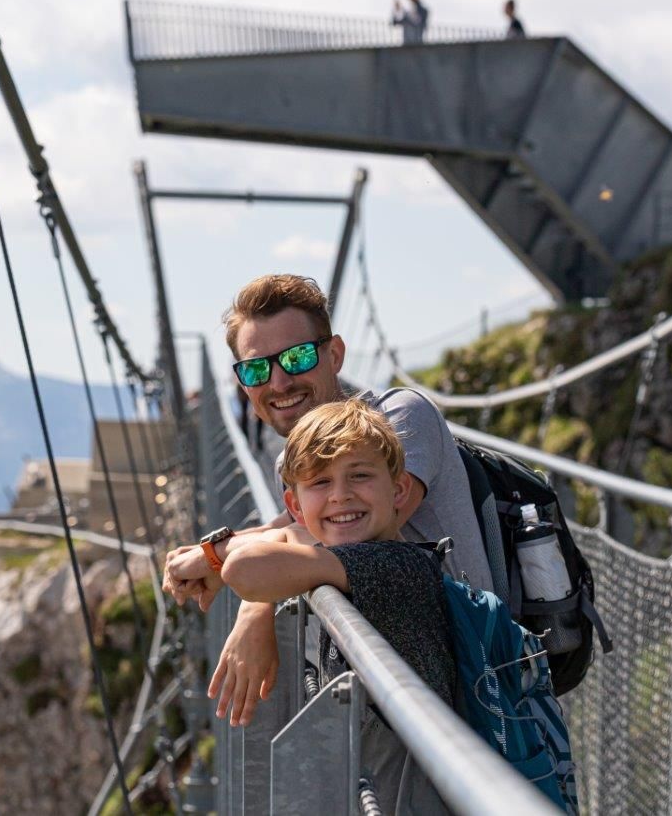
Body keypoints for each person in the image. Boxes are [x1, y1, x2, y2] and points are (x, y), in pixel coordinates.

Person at [162, 274, 491, 727]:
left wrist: (240, 582)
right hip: (375, 705)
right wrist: (235, 567)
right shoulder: (291, 463)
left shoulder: (400, 417)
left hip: (475, 697)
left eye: (297, 357)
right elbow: (295, 529)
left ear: (334, 354)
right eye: (256, 369)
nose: (279, 382)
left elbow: (343, 533)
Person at [201, 399, 454, 814]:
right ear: (295, 507)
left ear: (399, 490)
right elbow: (289, 540)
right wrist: (256, 607)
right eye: (320, 482)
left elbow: (243, 568)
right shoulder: (362, 557)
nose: (341, 495)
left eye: (360, 475)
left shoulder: (398, 566)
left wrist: (254, 603)